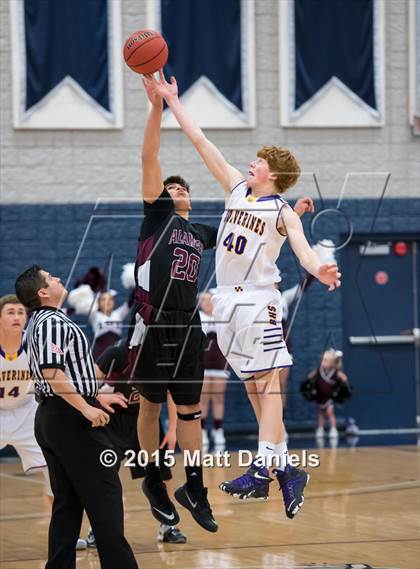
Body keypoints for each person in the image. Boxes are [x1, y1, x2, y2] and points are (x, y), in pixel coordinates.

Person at [151, 71, 341, 519]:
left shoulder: (280, 211)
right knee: (258, 393)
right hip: (227, 304)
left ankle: (262, 469)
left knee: (269, 389)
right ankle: (287, 469)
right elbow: (201, 142)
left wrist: (321, 268)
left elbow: (303, 253)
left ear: (272, 173)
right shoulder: (237, 188)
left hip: (259, 300)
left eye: (258, 162)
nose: (250, 164)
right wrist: (171, 102)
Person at [127, 78, 219, 533]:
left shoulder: (202, 231)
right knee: (147, 406)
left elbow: (244, 238)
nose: (177, 188)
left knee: (189, 410)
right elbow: (149, 157)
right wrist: (156, 109)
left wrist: (287, 222)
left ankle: (194, 487)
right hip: (151, 322)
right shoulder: (156, 215)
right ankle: (152, 482)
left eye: (183, 186)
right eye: (170, 186)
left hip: (188, 326)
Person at [14, 266, 138, 569]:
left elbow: (65, 376)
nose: (58, 279)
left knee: (67, 505)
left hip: (54, 416)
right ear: (43, 292)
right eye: (51, 279)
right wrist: (86, 408)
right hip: (69, 420)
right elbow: (52, 373)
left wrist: (96, 397)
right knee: (105, 495)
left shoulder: (41, 322)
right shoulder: (51, 322)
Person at [0, 294, 88, 550]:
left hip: (27, 410)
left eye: (20, 312)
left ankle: (64, 536)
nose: (17, 317)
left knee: (55, 472)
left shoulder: (35, 342)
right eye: (10, 312)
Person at [86, 342, 187, 546]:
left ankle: (168, 527)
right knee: (105, 475)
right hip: (113, 420)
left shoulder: (162, 355)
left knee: (162, 473)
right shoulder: (115, 354)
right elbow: (87, 384)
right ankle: (97, 530)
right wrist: (101, 396)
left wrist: (172, 429)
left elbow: (171, 393)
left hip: (147, 420)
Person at [198, 291, 229, 448]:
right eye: (204, 300)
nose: (207, 303)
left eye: (210, 300)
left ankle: (218, 430)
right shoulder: (198, 317)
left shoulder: (221, 317)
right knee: (202, 399)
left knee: (218, 398)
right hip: (202, 364)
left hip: (220, 363)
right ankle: (202, 431)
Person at [307, 349, 350, 438]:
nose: (322, 362)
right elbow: (311, 376)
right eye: (322, 360)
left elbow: (344, 378)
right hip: (320, 395)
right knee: (321, 413)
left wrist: (343, 386)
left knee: (330, 412)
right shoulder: (319, 370)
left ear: (331, 363)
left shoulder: (335, 372)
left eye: (325, 360)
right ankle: (320, 429)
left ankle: (333, 429)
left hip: (329, 396)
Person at [89, 291, 130, 360]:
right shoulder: (94, 315)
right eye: (103, 299)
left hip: (116, 350)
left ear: (114, 302)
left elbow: (130, 302)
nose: (107, 302)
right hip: (100, 352)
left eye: (110, 299)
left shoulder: (119, 313)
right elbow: (77, 308)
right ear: (98, 303)